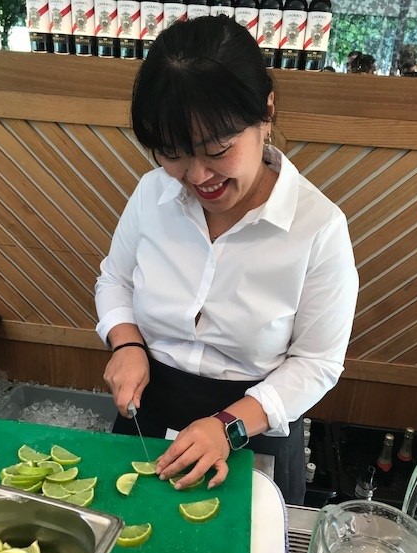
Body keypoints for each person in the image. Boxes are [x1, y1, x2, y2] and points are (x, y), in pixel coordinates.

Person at [95, 15, 359, 505]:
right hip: (147, 415)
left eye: (217, 149)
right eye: (172, 154)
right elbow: (115, 278)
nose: (198, 176)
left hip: (253, 427)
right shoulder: (151, 195)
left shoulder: (318, 228)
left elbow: (318, 363)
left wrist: (228, 426)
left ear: (266, 112)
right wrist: (126, 343)